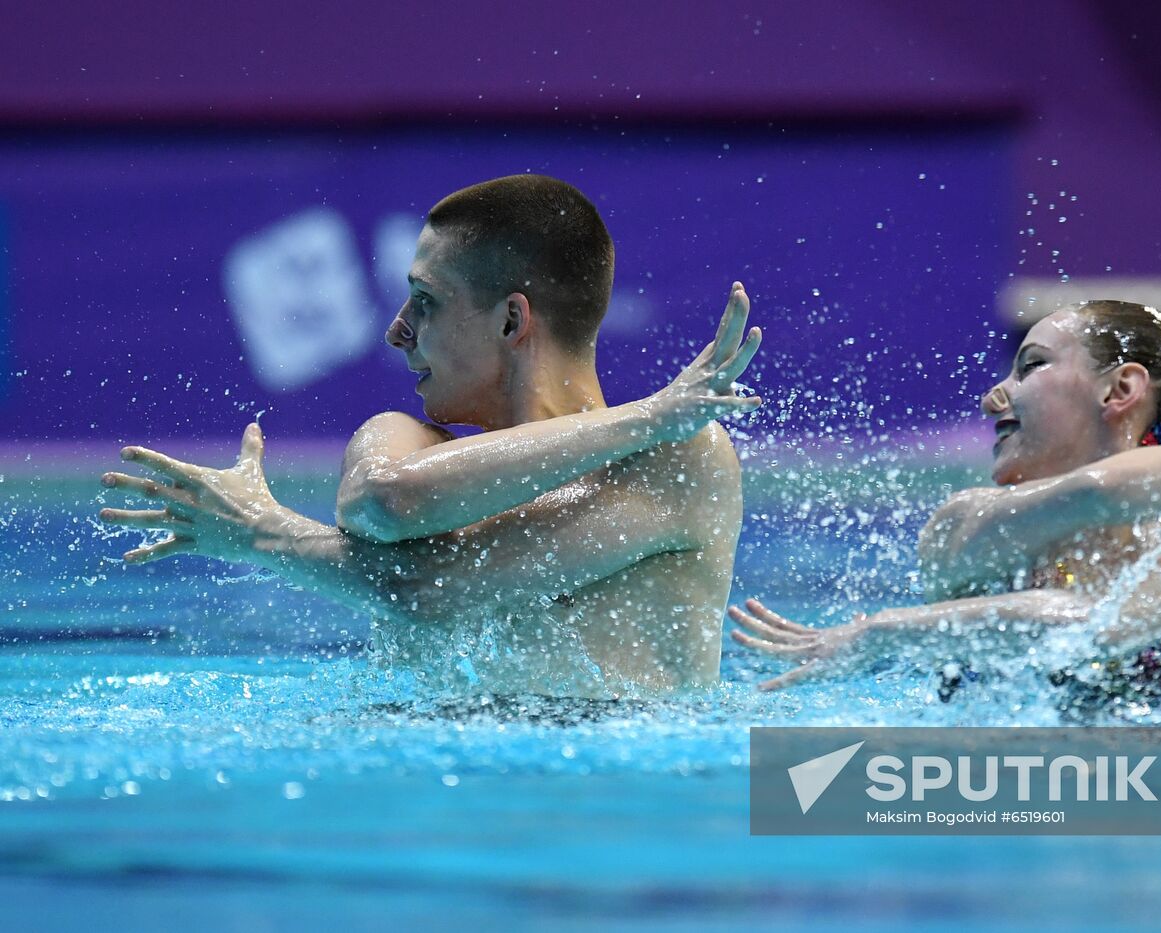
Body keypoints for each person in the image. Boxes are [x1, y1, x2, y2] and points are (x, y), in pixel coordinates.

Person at [98, 174, 762, 698]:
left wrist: (263, 531)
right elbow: (387, 499)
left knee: (828, 785)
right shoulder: (400, 438)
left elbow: (434, 590)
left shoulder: (679, 457)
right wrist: (645, 413)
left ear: (511, 321)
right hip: (432, 826)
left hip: (615, 835)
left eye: (425, 301)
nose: (396, 330)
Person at [731, 300, 1161, 702]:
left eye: (1030, 366)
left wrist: (883, 629)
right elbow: (1092, 498)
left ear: (1118, 391)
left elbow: (1105, 627)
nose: (995, 396)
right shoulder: (962, 520)